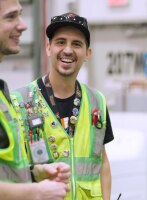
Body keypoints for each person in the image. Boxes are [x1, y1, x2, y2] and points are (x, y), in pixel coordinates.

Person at [10, 12, 114, 200]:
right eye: (60, 42)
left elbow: (103, 162)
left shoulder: (96, 101)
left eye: (76, 44)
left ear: (87, 53)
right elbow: (10, 170)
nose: (68, 50)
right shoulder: (19, 101)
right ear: (48, 47)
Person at [0, 0, 71, 199]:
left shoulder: (3, 94)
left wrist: (34, 174)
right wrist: (36, 192)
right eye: (11, 17)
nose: (23, 25)